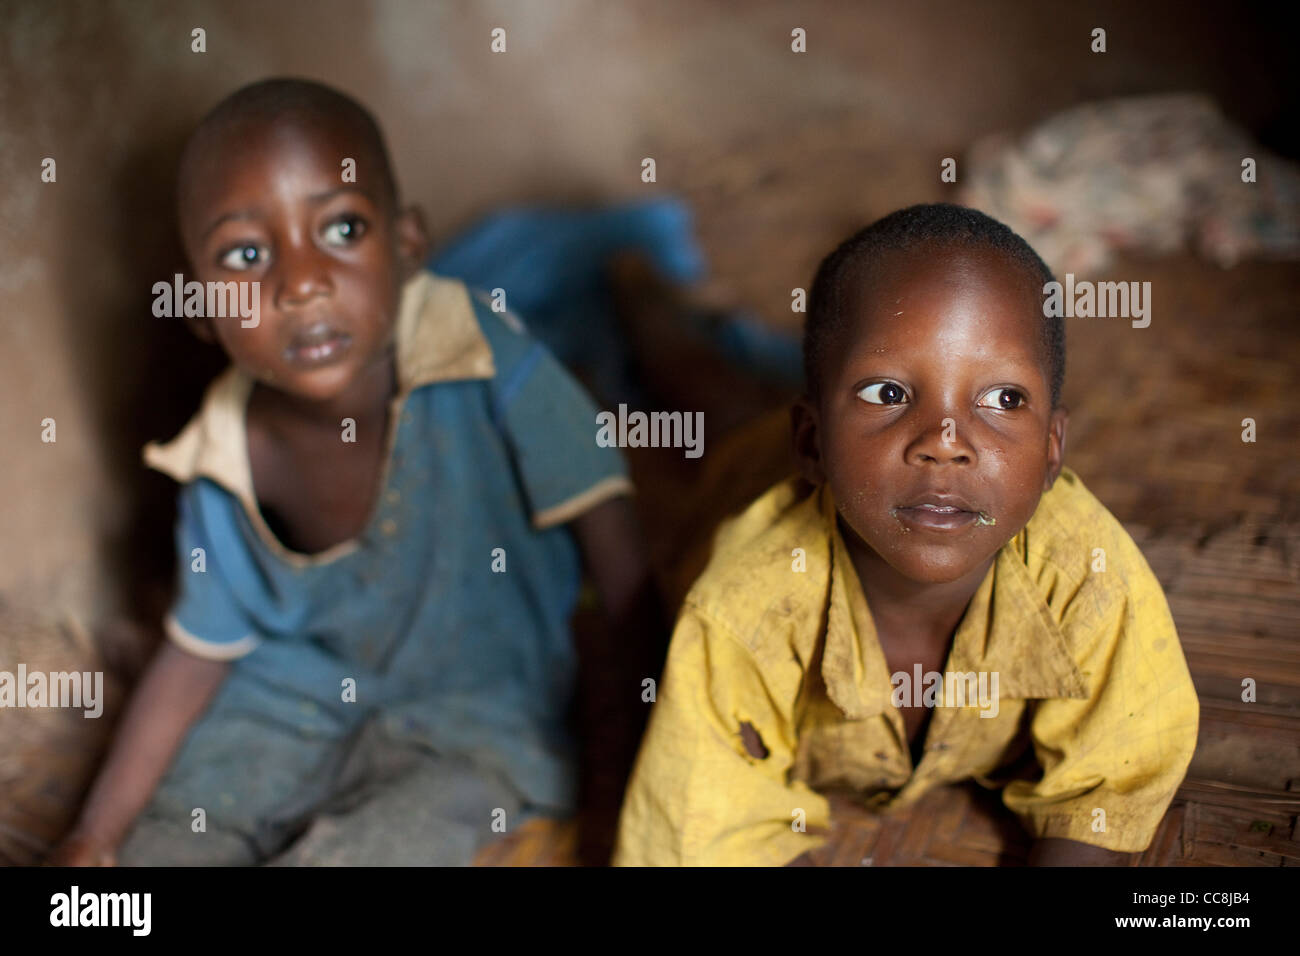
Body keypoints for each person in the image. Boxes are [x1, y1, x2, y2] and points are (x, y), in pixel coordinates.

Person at [49, 77, 658, 866]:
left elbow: (624, 571)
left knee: (387, 845)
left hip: (472, 715)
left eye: (340, 227)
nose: (300, 283)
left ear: (407, 247)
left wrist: (642, 768)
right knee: (155, 855)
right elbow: (197, 650)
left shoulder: (486, 358)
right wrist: (91, 839)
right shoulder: (225, 456)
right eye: (246, 254)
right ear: (198, 309)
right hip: (284, 706)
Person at [613, 203, 1199, 866]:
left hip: (848, 466)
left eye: (1003, 399)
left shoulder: (1088, 576)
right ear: (810, 442)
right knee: (703, 392)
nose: (944, 443)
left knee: (751, 383)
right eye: (889, 392)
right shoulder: (743, 608)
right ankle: (640, 298)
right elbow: (707, 834)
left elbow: (1110, 785)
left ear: (1053, 451)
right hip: (751, 470)